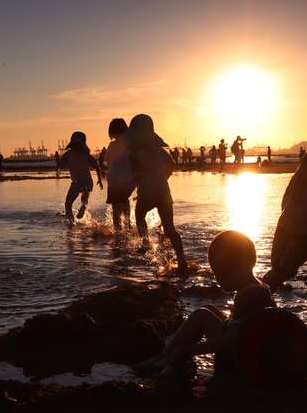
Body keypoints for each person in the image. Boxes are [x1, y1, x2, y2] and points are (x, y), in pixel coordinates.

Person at [134, 231, 276, 379]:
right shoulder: (259, 288)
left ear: (242, 266)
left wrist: (189, 350)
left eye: (221, 273)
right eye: (215, 273)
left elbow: (228, 341)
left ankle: (163, 360)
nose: (217, 279)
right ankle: (164, 358)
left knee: (202, 315)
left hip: (242, 360)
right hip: (250, 350)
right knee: (209, 309)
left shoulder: (249, 295)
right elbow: (240, 328)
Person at [126, 114, 187, 273]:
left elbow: (134, 173)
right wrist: (163, 178)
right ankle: (181, 259)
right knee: (170, 229)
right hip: (163, 192)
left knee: (140, 216)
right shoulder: (160, 151)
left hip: (147, 193)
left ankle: (145, 243)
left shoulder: (136, 152)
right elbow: (171, 164)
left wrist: (136, 184)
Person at [263, 155, 307, 291]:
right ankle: (259, 294)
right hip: (298, 229)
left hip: (287, 224)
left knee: (278, 270)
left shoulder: (298, 177)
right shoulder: (299, 178)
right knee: (280, 271)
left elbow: (284, 201)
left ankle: (259, 293)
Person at [59, 131, 103, 225]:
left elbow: (61, 165)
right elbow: (96, 166)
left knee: (68, 204)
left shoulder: (68, 154)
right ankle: (83, 206)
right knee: (84, 197)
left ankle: (71, 223)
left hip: (77, 183)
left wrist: (63, 164)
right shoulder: (86, 155)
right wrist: (99, 180)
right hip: (88, 182)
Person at [104, 118, 135, 231]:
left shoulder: (112, 145)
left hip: (114, 181)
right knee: (125, 201)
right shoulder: (130, 145)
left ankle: (118, 230)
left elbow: (107, 161)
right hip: (127, 181)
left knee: (116, 207)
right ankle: (128, 225)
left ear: (112, 132)